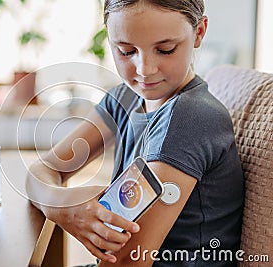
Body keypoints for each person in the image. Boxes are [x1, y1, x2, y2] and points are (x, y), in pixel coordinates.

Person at [26, 0, 244, 266]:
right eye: (126, 51)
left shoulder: (191, 118)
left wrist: (54, 201)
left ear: (199, 32)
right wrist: (62, 205)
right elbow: (41, 171)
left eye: (165, 50)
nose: (144, 70)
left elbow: (126, 261)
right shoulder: (124, 98)